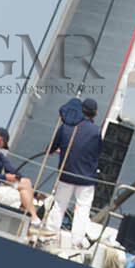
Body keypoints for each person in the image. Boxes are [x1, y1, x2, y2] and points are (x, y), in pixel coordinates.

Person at [46, 98, 103, 240]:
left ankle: (50, 233)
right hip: (86, 178)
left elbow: (51, 147)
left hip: (66, 174)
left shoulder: (67, 125)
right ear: (95, 113)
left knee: (59, 204)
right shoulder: (96, 131)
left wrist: (59, 150)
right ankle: (76, 240)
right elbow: (97, 152)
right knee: (83, 209)